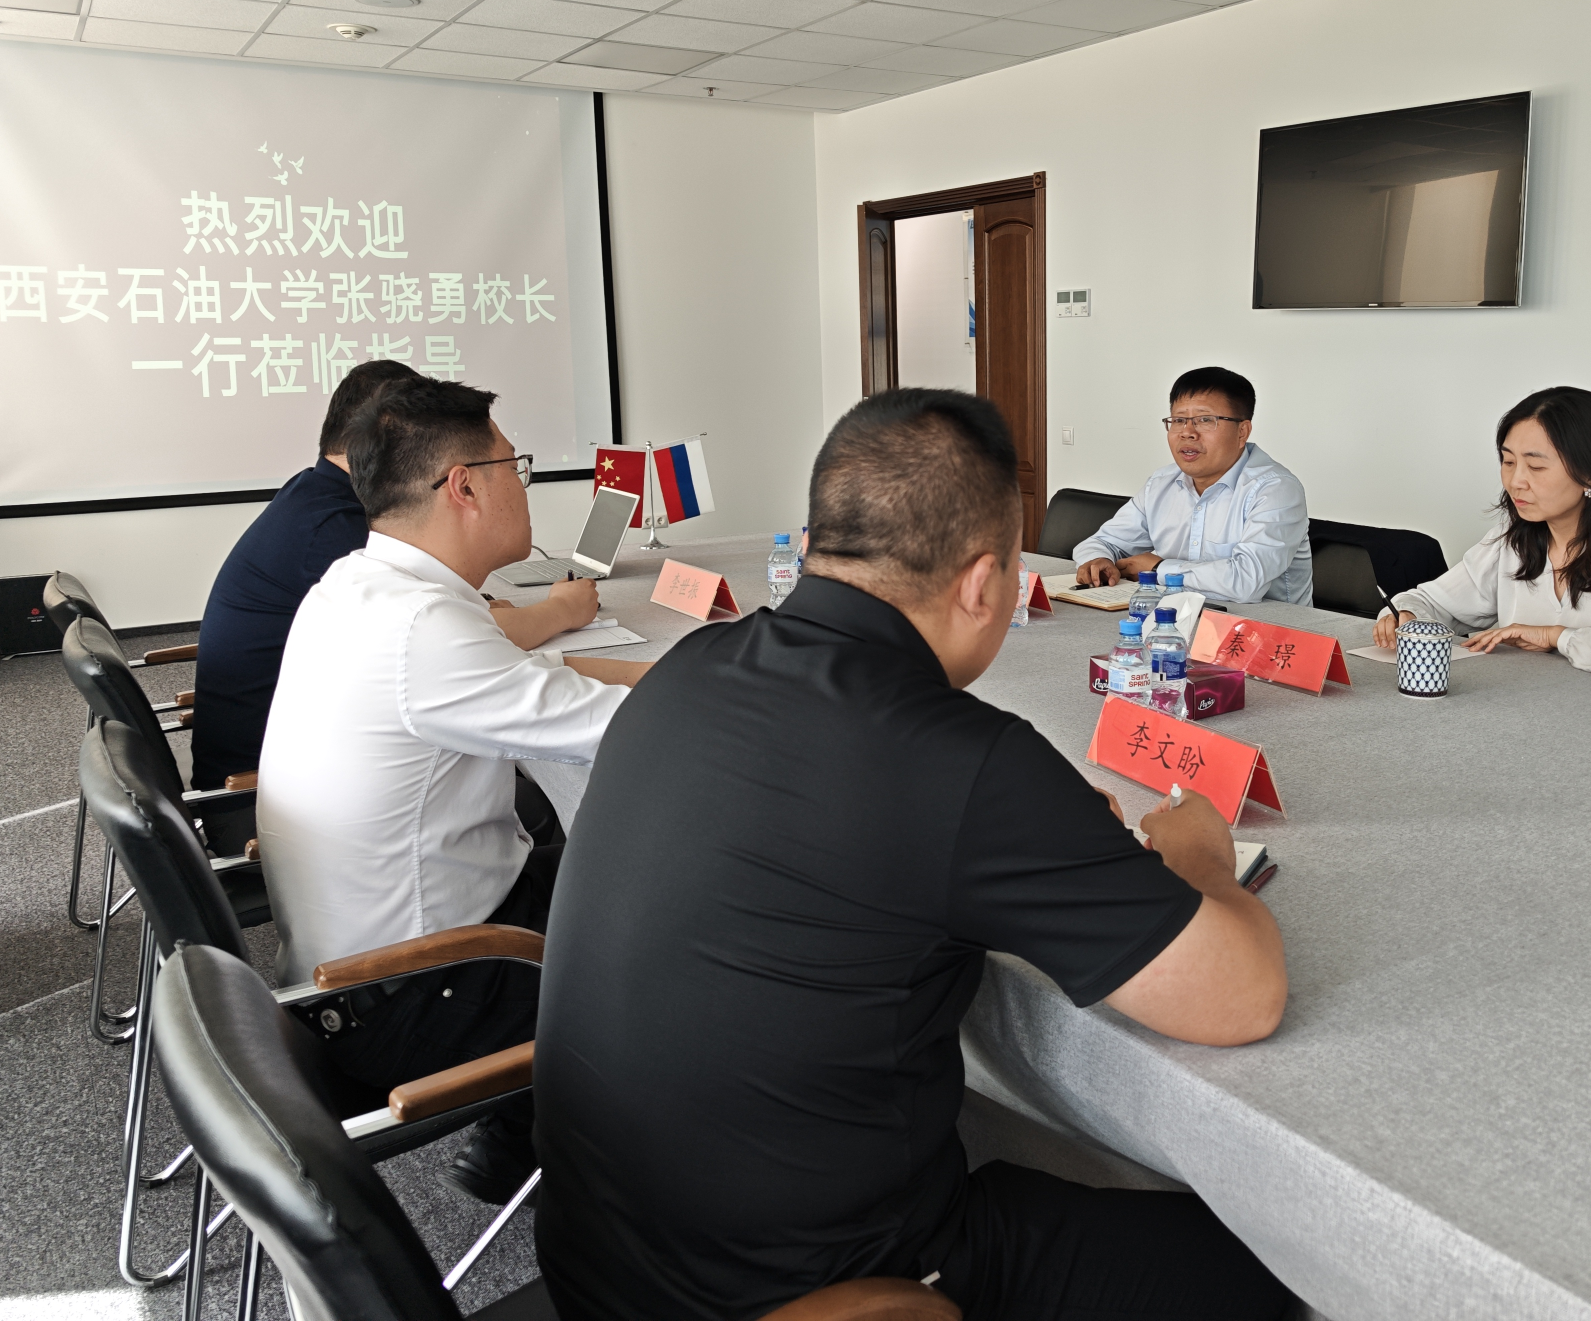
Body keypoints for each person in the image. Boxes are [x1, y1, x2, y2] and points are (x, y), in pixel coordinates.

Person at [535, 388, 1292, 1321]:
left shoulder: (689, 668)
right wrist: (1200, 857)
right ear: (984, 584)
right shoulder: (963, 758)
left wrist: (1035, 830)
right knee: (1274, 1270)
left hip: (598, 1263)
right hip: (817, 1293)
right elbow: (1241, 996)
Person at [255, 376, 651, 1205]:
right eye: (517, 466)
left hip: (352, 971)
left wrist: (670, 670)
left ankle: (519, 1136)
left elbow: (530, 675)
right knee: (693, 936)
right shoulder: (421, 629)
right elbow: (631, 733)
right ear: (464, 486)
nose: (525, 485)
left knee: (610, 863)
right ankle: (636, 1205)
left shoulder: (360, 586)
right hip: (411, 997)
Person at [190, 359, 599, 792]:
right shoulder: (337, 530)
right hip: (255, 784)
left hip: (314, 770)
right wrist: (560, 610)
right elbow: (459, 640)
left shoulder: (315, 498)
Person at [1373, 386, 1591, 682]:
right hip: (1523, 709)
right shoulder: (1511, 538)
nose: (1515, 482)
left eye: (1536, 467)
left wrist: (1556, 636)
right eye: (1508, 461)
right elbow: (1431, 601)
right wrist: (1407, 614)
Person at [1073, 365, 1313, 606]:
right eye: (1178, 420)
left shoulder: (1276, 489)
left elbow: (1246, 582)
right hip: (1178, 617)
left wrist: (1158, 569)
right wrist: (1099, 560)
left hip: (1268, 626)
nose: (1187, 433)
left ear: (1242, 432)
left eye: (1205, 420)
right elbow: (1103, 542)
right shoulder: (1161, 483)